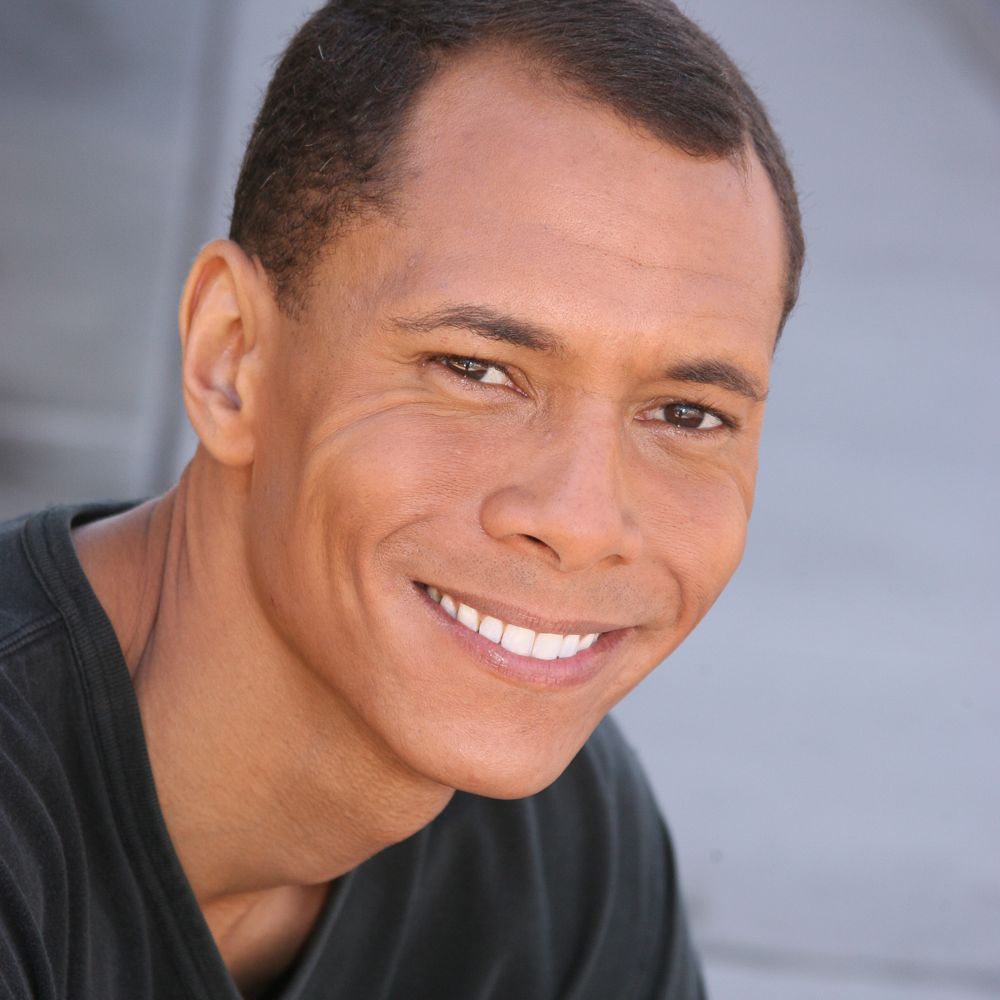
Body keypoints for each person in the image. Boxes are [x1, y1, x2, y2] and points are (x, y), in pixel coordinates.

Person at [0, 1, 803, 997]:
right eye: (475, 368)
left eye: (685, 413)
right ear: (231, 359)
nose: (584, 520)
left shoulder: (561, 838)